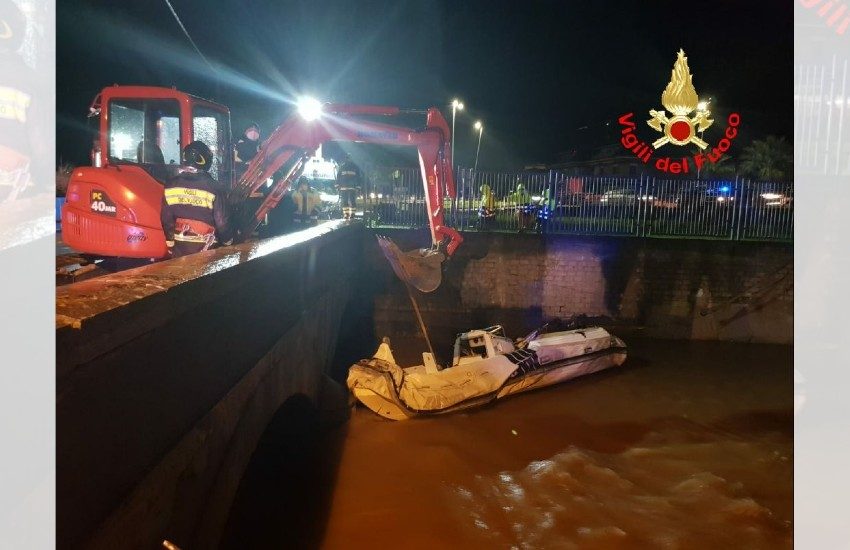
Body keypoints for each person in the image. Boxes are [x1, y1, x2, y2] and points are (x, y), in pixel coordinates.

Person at [161, 141, 231, 257]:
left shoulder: (171, 185)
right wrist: (228, 242)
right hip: (206, 247)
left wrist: (170, 244)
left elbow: (166, 219)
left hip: (179, 246)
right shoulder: (214, 187)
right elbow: (222, 221)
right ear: (205, 160)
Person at [336, 153, 362, 220]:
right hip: (349, 187)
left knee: (350, 201)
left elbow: (358, 178)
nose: (348, 159)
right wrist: (358, 187)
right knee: (347, 201)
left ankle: (350, 214)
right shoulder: (352, 167)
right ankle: (348, 214)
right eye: (348, 158)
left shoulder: (343, 167)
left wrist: (337, 186)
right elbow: (338, 177)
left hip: (347, 187)